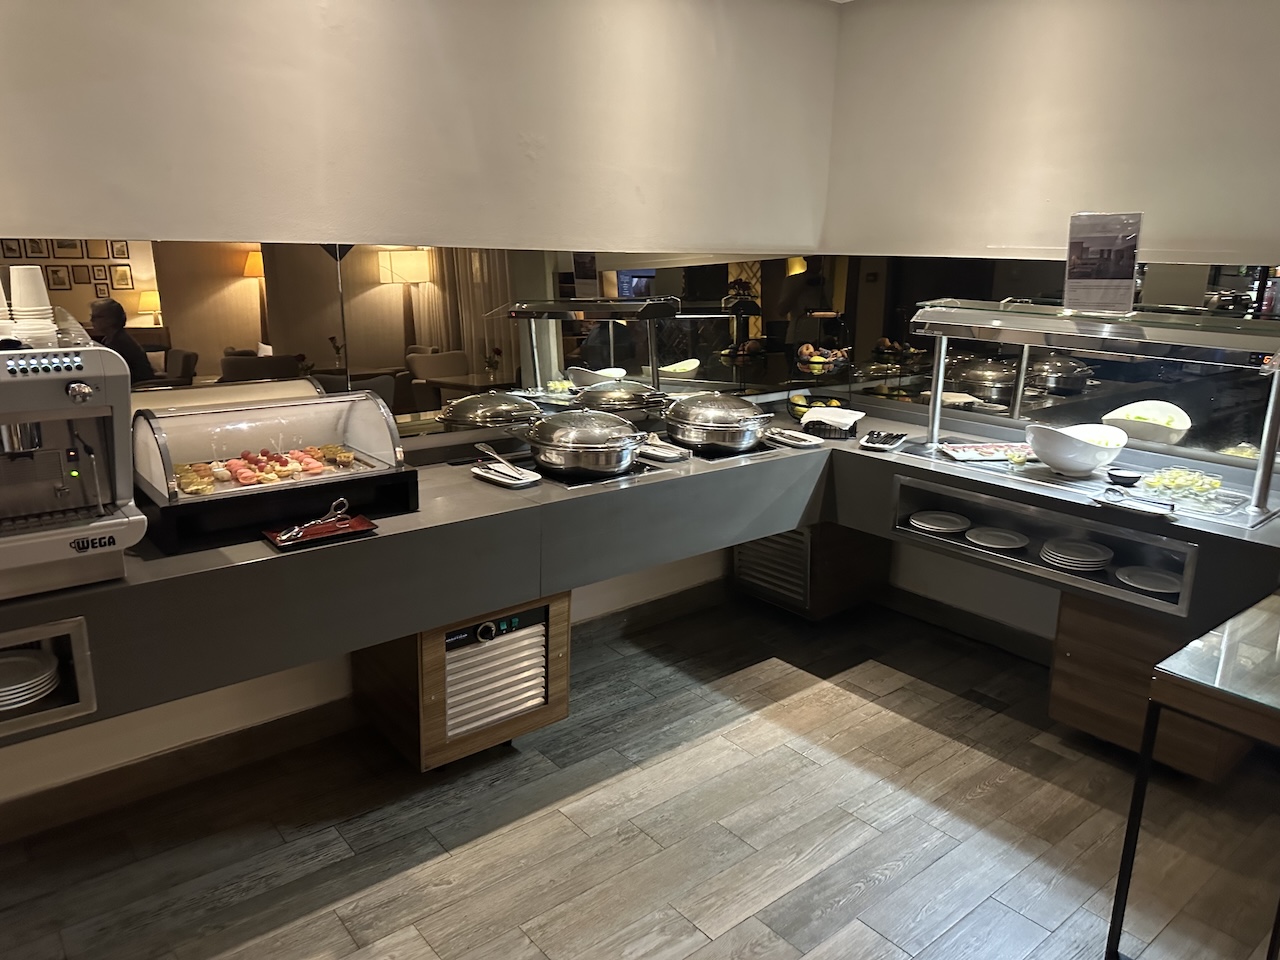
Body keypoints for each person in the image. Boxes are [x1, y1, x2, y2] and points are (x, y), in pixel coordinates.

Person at [90, 298, 154, 385]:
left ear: (112, 319)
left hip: (136, 387)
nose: (91, 320)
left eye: (96, 317)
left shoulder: (120, 341)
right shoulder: (109, 338)